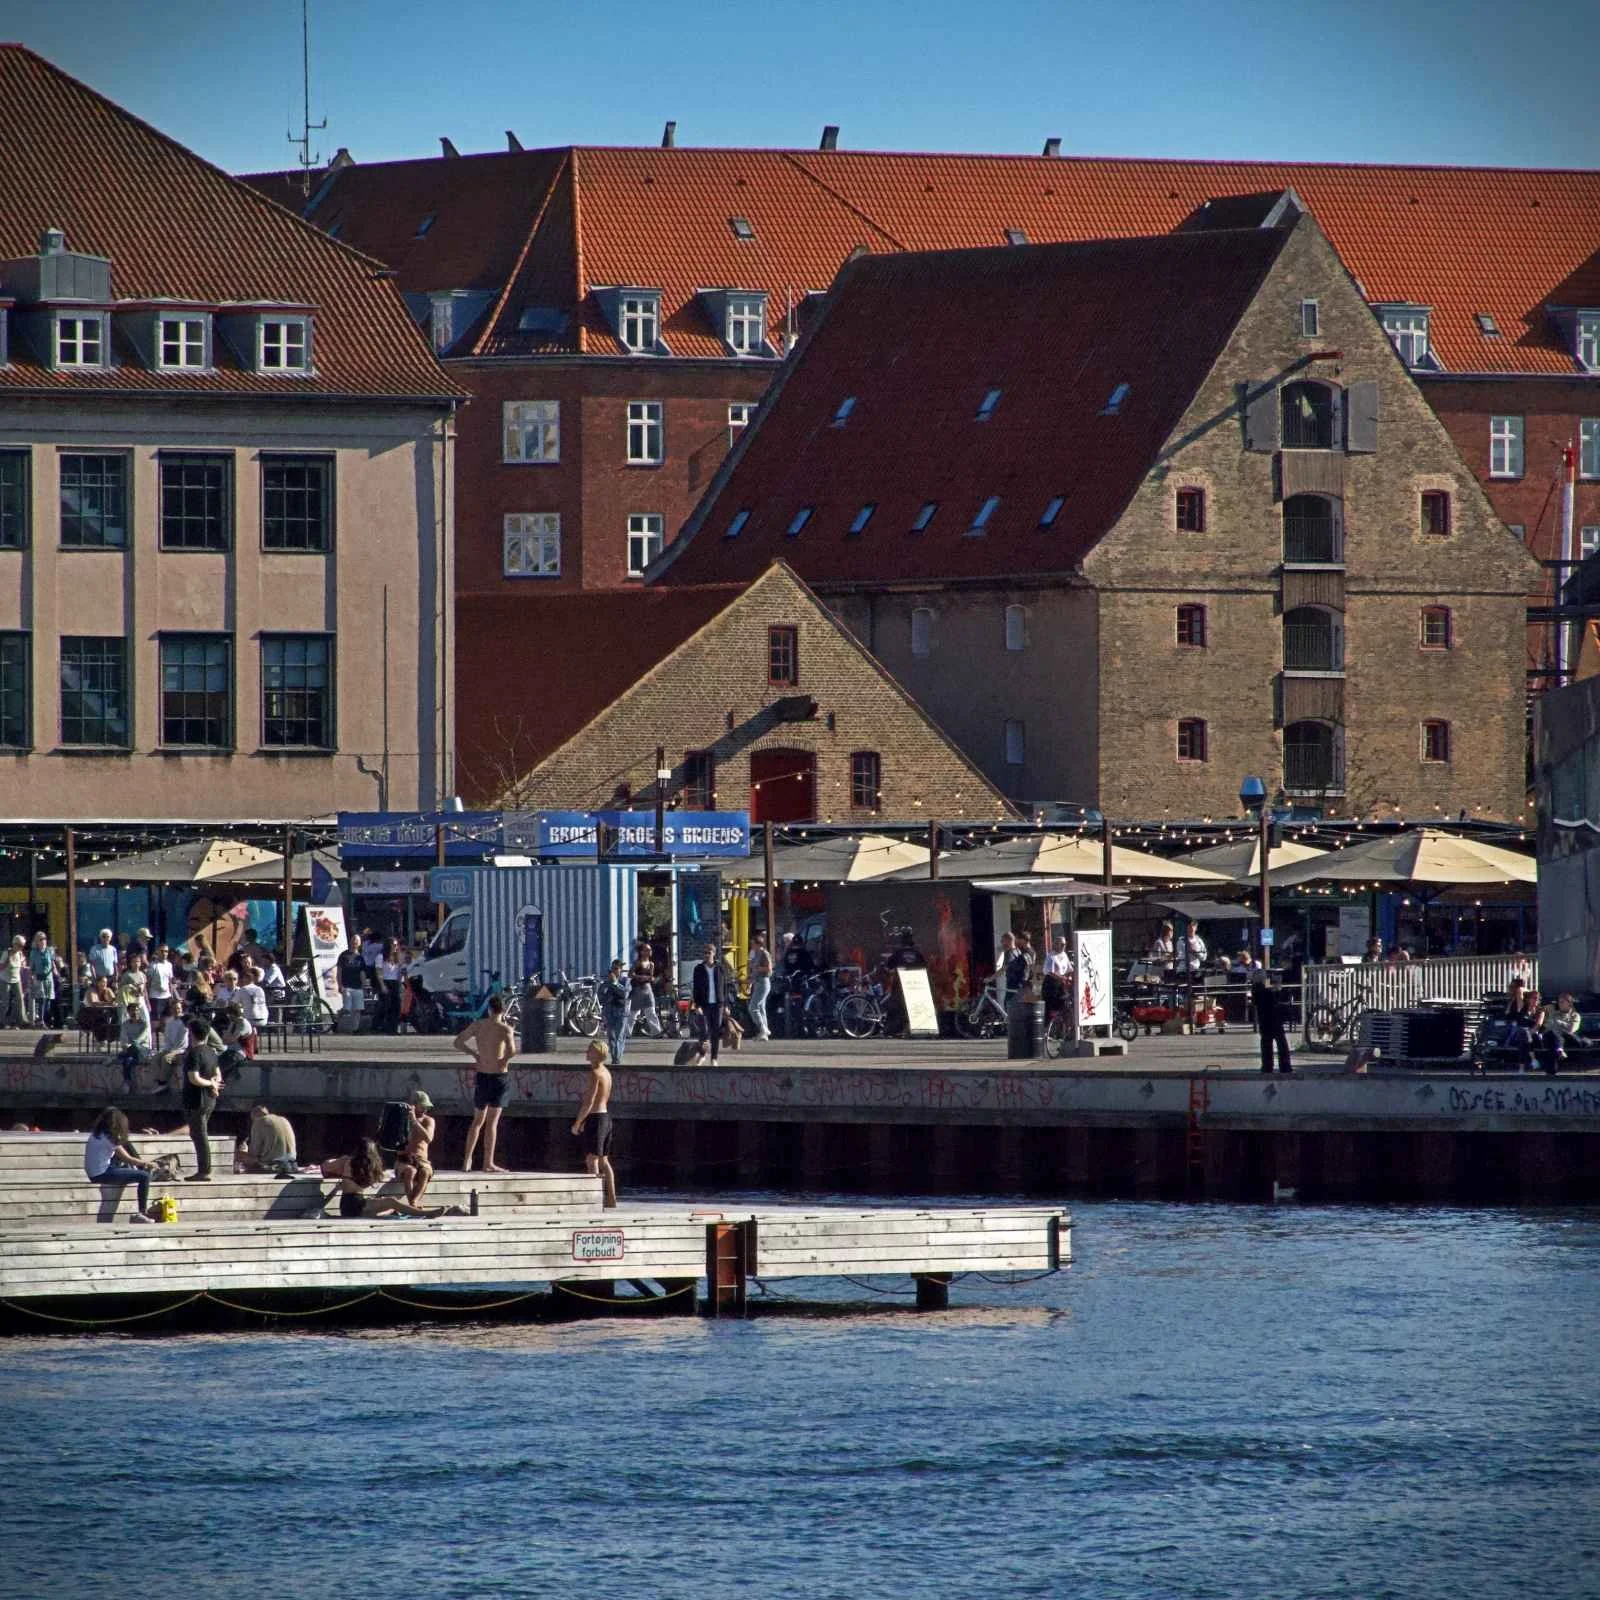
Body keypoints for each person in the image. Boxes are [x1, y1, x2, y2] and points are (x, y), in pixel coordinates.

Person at [322, 1138, 461, 1219]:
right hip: (355, 1205)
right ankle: (424, 1214)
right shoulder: (365, 1165)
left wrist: (335, 1164)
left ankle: (406, 1212)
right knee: (391, 1201)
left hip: (350, 1204)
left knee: (389, 1205)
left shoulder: (347, 1160)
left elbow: (325, 1166)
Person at [456, 994, 515, 1173]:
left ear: (489, 1009)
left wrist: (474, 1054)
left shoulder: (478, 1025)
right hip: (499, 1076)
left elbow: (458, 1042)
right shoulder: (505, 1029)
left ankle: (467, 1160)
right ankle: (488, 1163)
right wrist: (504, 1059)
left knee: (477, 1121)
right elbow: (512, 1051)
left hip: (482, 1074)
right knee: (492, 1123)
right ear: (503, 1010)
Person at [84, 1106, 158, 1222]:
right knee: (144, 1176)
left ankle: (138, 1170)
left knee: (125, 1144)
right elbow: (127, 1158)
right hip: (102, 1174)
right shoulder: (109, 1138)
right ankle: (142, 1212)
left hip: (95, 1172)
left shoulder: (96, 1134)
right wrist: (146, 1163)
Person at [571, 1037, 617, 1208]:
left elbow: (588, 1102)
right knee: (604, 1160)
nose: (586, 1052)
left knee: (592, 1160)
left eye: (590, 1050)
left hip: (596, 1119)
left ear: (597, 1054)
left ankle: (596, 1198)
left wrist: (578, 1123)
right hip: (606, 1118)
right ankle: (611, 1197)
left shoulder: (595, 1073)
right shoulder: (606, 1072)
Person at [179, 1015, 224, 1180]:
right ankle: (204, 1169)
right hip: (209, 1100)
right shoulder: (211, 1051)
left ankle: (204, 1171)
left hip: (195, 1099)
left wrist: (209, 1084)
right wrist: (214, 1084)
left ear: (191, 1033)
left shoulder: (193, 1053)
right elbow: (218, 1074)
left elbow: (194, 1078)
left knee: (199, 1134)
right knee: (199, 1133)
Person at [394, 1089, 436, 1205]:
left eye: (426, 1107)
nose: (425, 1109)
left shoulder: (428, 1121)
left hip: (421, 1159)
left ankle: (413, 1202)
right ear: (414, 1105)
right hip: (405, 1159)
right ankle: (412, 1203)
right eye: (422, 1106)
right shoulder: (403, 1119)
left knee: (425, 1173)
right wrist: (408, 1120)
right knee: (410, 1171)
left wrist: (415, 1122)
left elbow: (428, 1138)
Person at [239, 1103, 298, 1176]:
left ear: (253, 1115)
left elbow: (254, 1153)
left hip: (273, 1166)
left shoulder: (259, 1121)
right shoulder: (284, 1119)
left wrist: (244, 1151)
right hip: (292, 1165)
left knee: (242, 1155)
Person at [1251, 972, 1292, 1075]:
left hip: (1264, 1020)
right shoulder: (1266, 987)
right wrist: (1275, 984)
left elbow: (1256, 1002)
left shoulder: (1256, 988)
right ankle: (1285, 1066)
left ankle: (1267, 1066)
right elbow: (1277, 994)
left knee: (1266, 1044)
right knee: (1281, 1043)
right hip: (1275, 1018)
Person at [692, 943, 726, 1063]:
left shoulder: (720, 968)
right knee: (704, 1031)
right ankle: (702, 1055)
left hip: (718, 1004)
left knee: (715, 1032)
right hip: (704, 1004)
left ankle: (714, 1058)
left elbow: (724, 987)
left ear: (714, 953)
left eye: (709, 952)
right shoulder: (698, 969)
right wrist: (697, 1005)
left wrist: (726, 1005)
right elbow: (696, 988)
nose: (706, 955)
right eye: (705, 953)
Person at [627, 940, 664, 1038]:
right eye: (646, 950)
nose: (649, 952)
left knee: (651, 1011)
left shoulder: (651, 964)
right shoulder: (638, 963)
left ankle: (656, 1032)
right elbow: (630, 974)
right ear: (641, 952)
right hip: (638, 989)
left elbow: (651, 977)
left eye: (650, 950)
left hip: (648, 989)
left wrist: (653, 979)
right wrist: (639, 977)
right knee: (633, 1012)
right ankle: (626, 1032)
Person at [598, 959, 629, 1064]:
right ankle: (615, 1057)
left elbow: (625, 994)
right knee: (611, 1036)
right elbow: (601, 997)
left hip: (621, 1012)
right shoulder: (606, 983)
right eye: (614, 969)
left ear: (621, 970)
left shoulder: (625, 981)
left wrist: (615, 983)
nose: (615, 971)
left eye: (618, 969)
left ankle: (617, 1058)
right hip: (609, 1011)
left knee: (620, 1036)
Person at [117, 1001, 153, 1090]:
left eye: (137, 1010)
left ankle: (118, 1057)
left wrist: (133, 1044)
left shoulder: (144, 1024)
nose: (135, 1012)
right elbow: (123, 1038)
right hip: (130, 1051)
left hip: (143, 1049)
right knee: (128, 1060)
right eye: (132, 1010)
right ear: (128, 1012)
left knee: (134, 1047)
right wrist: (125, 1045)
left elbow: (142, 1038)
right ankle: (127, 1081)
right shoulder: (125, 1024)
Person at [747, 932, 774, 1041]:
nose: (751, 946)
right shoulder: (756, 954)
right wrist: (750, 983)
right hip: (757, 982)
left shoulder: (764, 954)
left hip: (763, 982)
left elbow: (769, 969)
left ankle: (763, 1028)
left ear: (758, 944)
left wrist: (757, 968)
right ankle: (764, 1033)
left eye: (753, 944)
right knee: (761, 1008)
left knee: (753, 1007)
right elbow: (753, 971)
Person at [1043, 936, 1073, 1015]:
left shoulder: (1064, 955)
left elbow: (1070, 969)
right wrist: (1062, 978)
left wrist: (1069, 977)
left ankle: (1061, 1024)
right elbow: (1049, 971)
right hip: (1051, 984)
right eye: (1062, 944)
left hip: (1061, 984)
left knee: (1063, 1003)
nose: (1064, 946)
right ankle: (1049, 1024)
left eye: (1065, 944)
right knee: (1051, 1008)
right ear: (1056, 944)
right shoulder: (1051, 956)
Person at [0, 935, 26, 1028]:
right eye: (19, 945)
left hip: (16, 979)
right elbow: (0, 967)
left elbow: (23, 962)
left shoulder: (20, 954)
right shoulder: (6, 953)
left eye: (22, 946)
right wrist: (7, 963)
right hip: (5, 979)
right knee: (5, 1001)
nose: (21, 948)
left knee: (20, 999)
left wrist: (23, 964)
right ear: (14, 944)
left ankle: (22, 1020)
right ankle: (1, 1021)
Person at [336, 937, 366, 1016]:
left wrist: (364, 986)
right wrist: (340, 985)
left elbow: (362, 973)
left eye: (356, 941)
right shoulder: (343, 955)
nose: (354, 943)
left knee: (357, 1010)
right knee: (347, 1009)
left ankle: (355, 1027)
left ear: (359, 944)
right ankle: (339, 1020)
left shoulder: (360, 958)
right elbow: (339, 972)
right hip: (346, 986)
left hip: (358, 986)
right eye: (353, 940)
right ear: (350, 942)